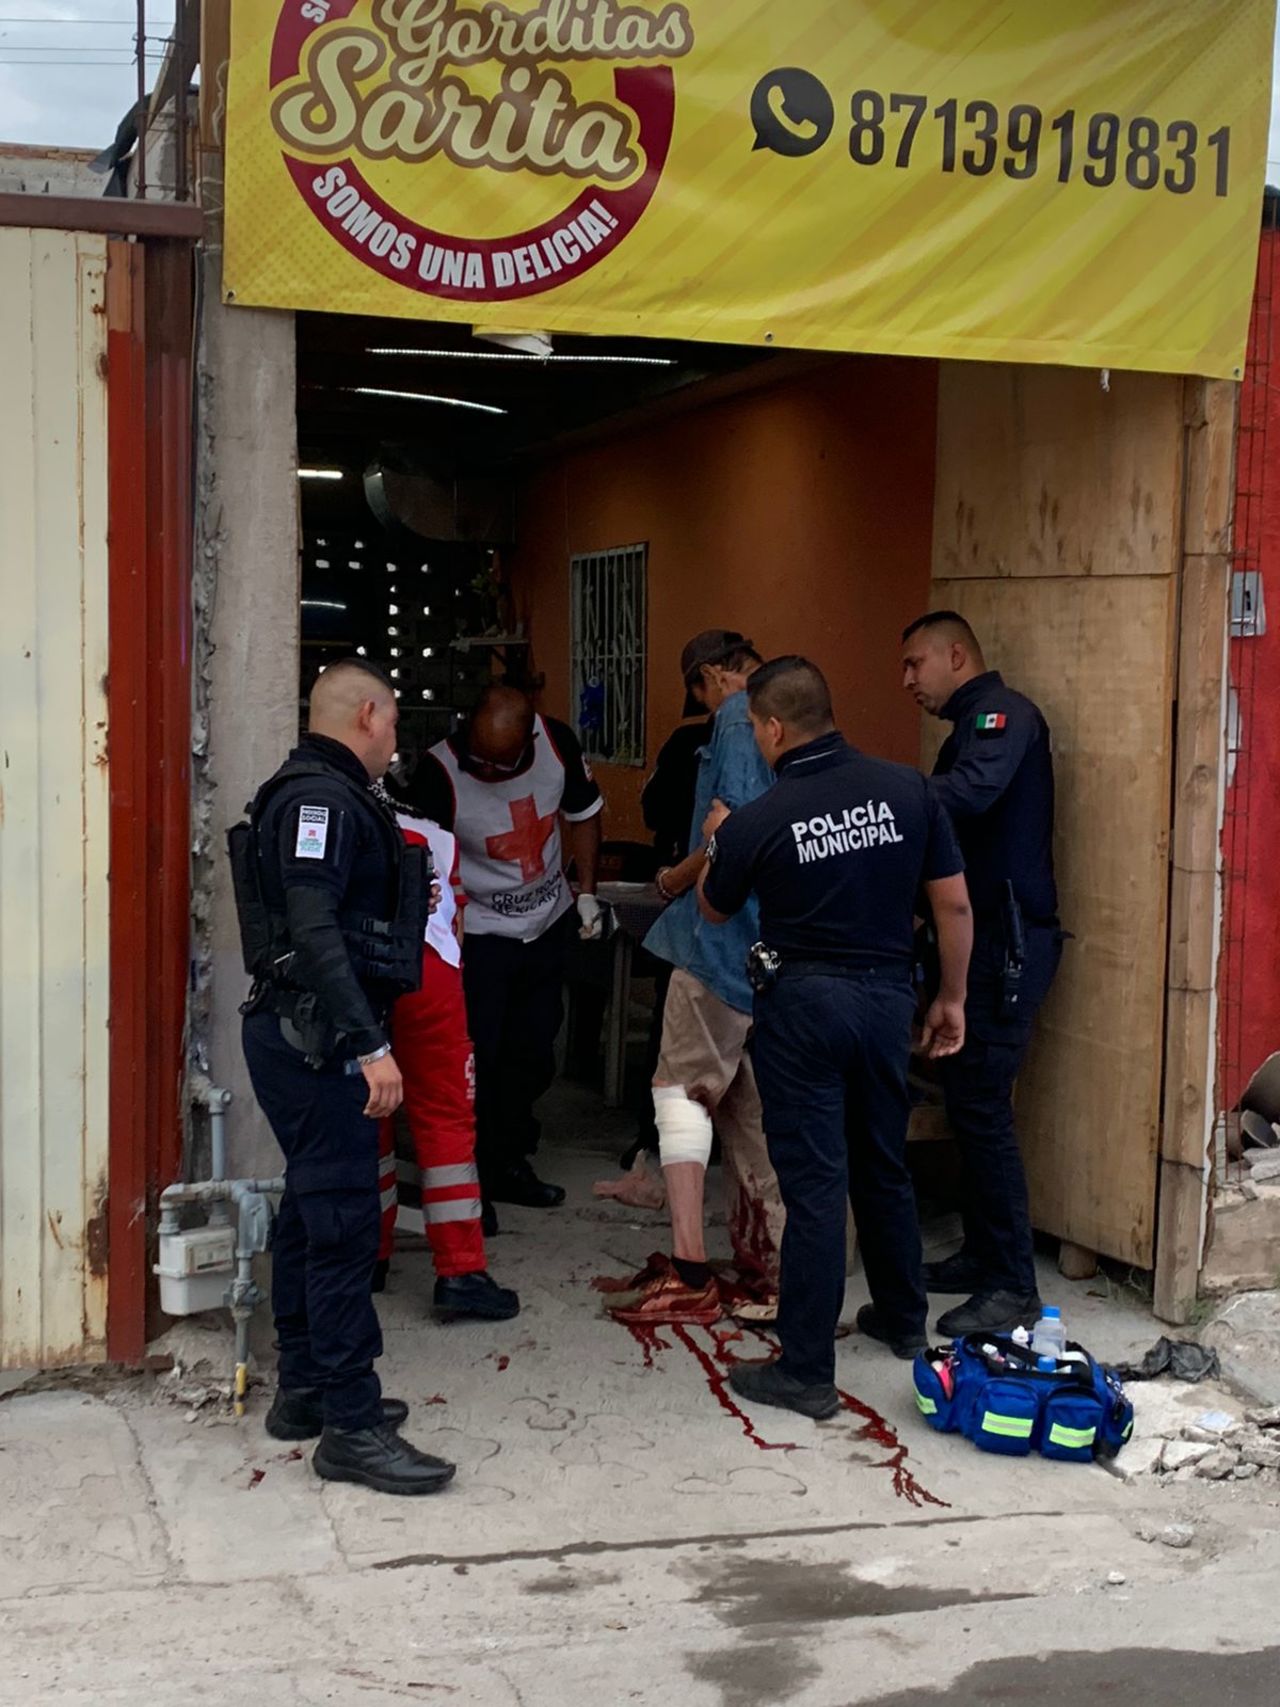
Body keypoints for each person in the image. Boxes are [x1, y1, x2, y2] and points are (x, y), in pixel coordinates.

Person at [697, 656, 972, 1421]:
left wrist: (719, 839)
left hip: (804, 1005)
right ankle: (903, 1318)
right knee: (882, 1160)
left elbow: (713, 912)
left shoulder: (759, 818)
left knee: (816, 1185)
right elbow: (951, 905)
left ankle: (806, 1370)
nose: (753, 739)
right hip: (888, 999)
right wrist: (950, 996)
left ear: (775, 727)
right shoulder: (909, 790)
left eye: (753, 726)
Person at [233, 658, 454, 1495]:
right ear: (368, 714)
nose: (396, 738)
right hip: (317, 1040)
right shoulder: (318, 800)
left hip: (306, 1034)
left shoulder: (318, 791)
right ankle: (351, 1427)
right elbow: (313, 924)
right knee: (342, 1224)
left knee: (313, 1208)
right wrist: (368, 1044)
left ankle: (307, 1391)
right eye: (394, 721)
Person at [607, 630, 785, 1329]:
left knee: (680, 1095)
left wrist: (675, 877)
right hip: (768, 951)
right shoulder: (789, 715)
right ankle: (772, 1271)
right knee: (751, 1113)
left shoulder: (740, 716)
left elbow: (729, 831)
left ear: (715, 674)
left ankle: (688, 1267)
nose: (705, 704)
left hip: (720, 940)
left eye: (701, 691)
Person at [901, 611, 1063, 1337]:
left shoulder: (1002, 719)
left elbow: (966, 798)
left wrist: (878, 793)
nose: (906, 680)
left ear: (956, 654)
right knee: (968, 1104)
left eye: (915, 664)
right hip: (985, 944)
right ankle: (981, 1253)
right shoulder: (965, 730)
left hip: (1008, 947)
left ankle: (1013, 1284)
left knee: (986, 1113)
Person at [398, 684, 603, 1223]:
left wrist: (587, 892)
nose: (485, 770)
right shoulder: (439, 772)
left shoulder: (556, 744)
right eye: (479, 759)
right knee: (476, 1058)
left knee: (532, 1053)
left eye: (499, 763)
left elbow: (582, 815)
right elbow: (425, 856)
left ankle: (509, 1161)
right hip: (479, 934)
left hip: (545, 922)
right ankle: (469, 1181)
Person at [374, 804, 520, 1322]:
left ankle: (371, 1255)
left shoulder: (333, 814)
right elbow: (455, 923)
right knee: (445, 1123)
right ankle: (460, 1271)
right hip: (428, 977)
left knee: (368, 1120)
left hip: (359, 980)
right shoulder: (436, 836)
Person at [595, 709, 712, 1205]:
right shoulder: (755, 738)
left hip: (695, 909)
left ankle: (658, 1144)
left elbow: (657, 811)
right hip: (723, 919)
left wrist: (671, 879)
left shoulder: (694, 740)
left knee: (675, 1040)